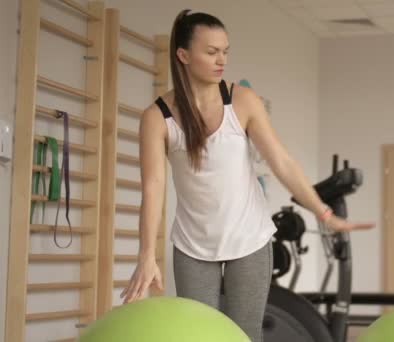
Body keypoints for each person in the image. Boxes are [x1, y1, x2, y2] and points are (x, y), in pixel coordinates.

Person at [120, 10, 373, 342]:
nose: (221, 59)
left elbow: (282, 161)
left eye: (225, 51)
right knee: (198, 334)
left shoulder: (241, 101)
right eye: (211, 52)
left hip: (249, 240)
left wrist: (323, 212)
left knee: (245, 335)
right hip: (193, 244)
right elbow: (153, 188)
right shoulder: (157, 118)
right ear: (183, 55)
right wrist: (145, 256)